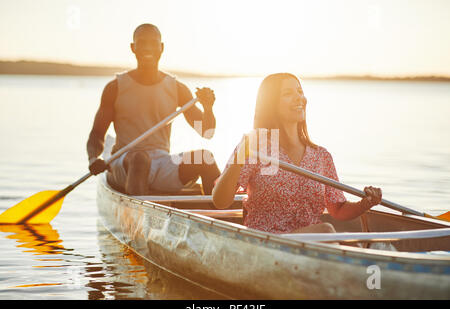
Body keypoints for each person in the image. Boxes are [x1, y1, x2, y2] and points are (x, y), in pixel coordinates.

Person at [212, 73, 382, 234]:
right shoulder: (256, 146)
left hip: (310, 243)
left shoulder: (321, 156)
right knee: (326, 231)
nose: (299, 97)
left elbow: (337, 209)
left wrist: (365, 203)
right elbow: (220, 201)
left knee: (330, 234)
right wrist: (240, 156)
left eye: (300, 91)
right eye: (287, 93)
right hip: (266, 241)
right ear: (271, 103)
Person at [87, 23, 220, 195]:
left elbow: (207, 132)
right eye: (142, 43)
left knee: (205, 158)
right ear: (133, 48)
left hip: (161, 162)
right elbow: (97, 134)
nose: (147, 48)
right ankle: (138, 218)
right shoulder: (115, 87)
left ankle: (221, 214)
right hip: (124, 161)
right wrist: (93, 159)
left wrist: (208, 108)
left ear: (161, 47)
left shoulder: (177, 88)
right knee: (140, 159)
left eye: (153, 43)